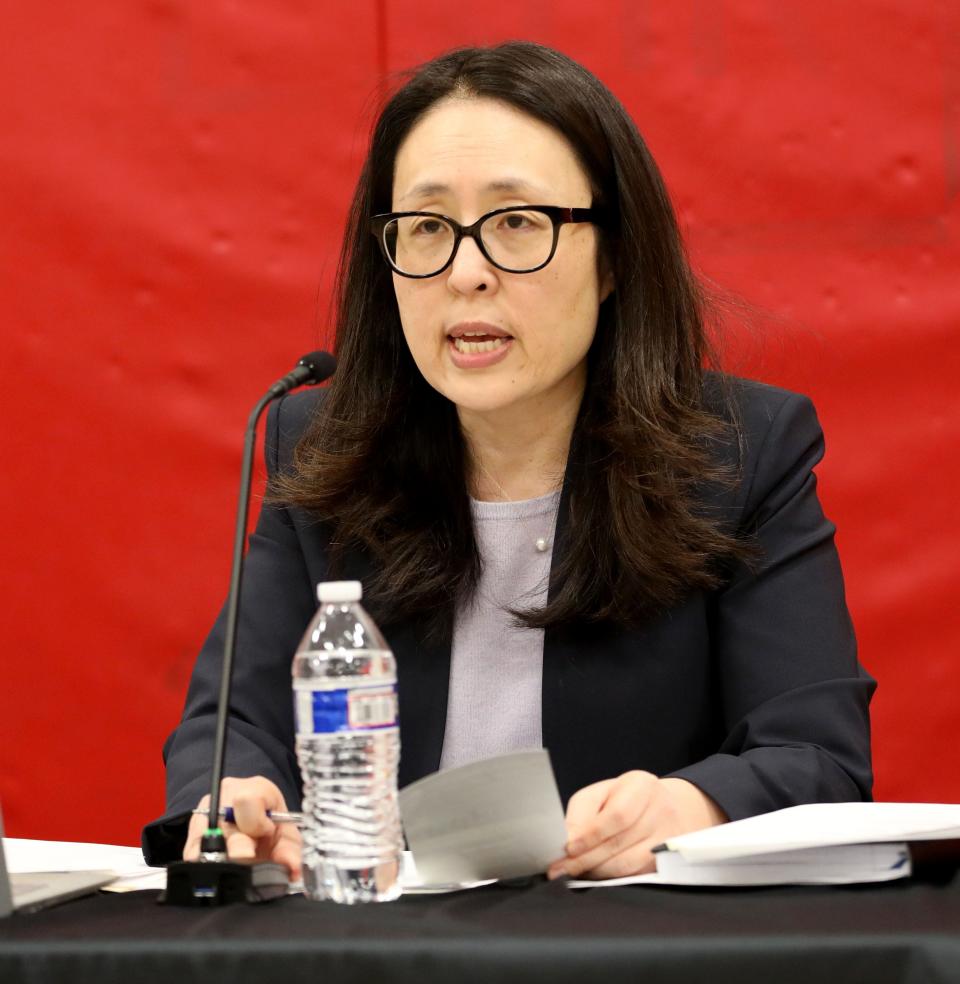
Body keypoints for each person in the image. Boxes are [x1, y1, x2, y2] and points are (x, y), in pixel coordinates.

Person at [143, 41, 875, 881]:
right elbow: (230, 724)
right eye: (425, 229)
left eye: (516, 224)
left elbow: (817, 754)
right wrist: (233, 800)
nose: (466, 273)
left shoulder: (741, 453)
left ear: (616, 257)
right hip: (387, 948)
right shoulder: (322, 454)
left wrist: (691, 807)